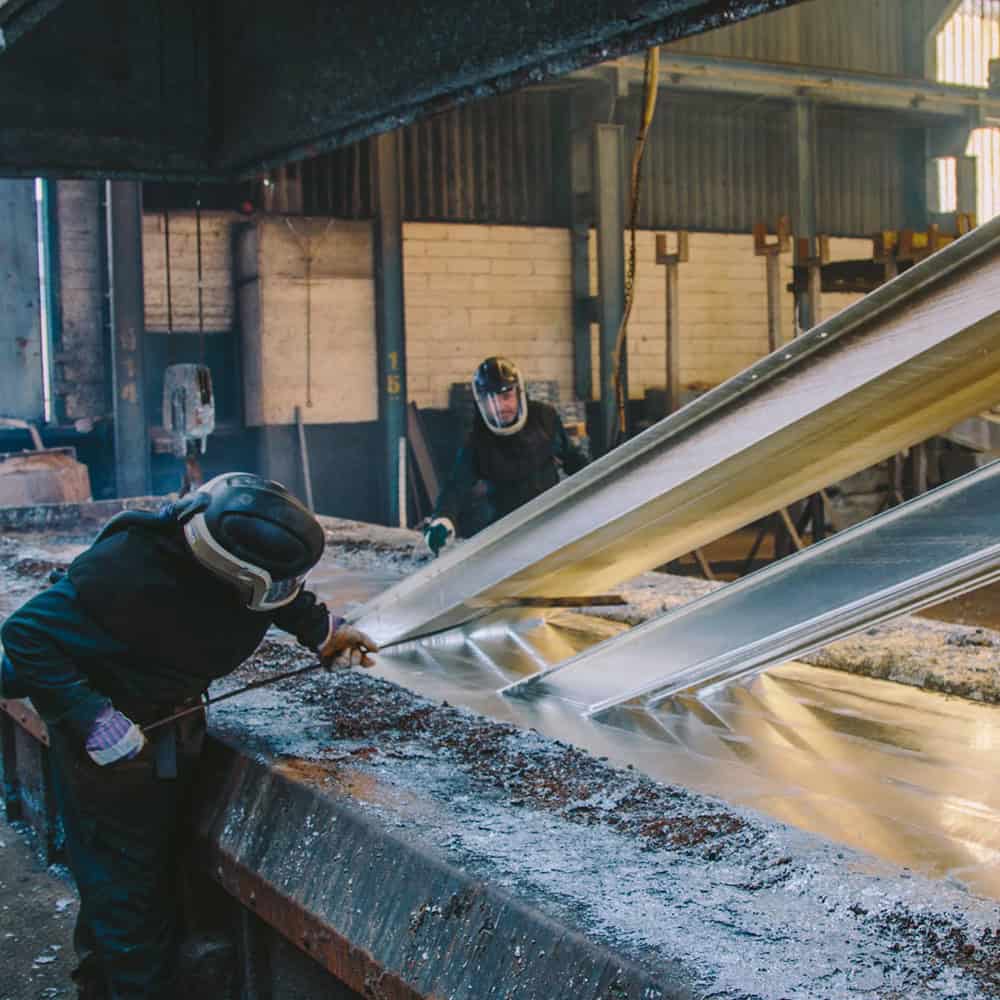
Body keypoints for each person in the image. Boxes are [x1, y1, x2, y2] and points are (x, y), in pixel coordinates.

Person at [0, 472, 376, 999]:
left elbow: (273, 595)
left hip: (165, 729)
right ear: (231, 569)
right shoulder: (123, 574)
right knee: (128, 901)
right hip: (112, 757)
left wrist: (323, 630)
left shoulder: (229, 558)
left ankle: (101, 986)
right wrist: (90, 715)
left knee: (134, 886)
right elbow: (24, 636)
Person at [424, 357, 588, 555]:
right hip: (506, 534)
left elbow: (572, 459)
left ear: (518, 392)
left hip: (550, 521)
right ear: (480, 402)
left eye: (506, 396)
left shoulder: (545, 418)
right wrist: (443, 518)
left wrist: (601, 485)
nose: (501, 406)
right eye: (491, 400)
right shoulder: (477, 441)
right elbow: (455, 486)